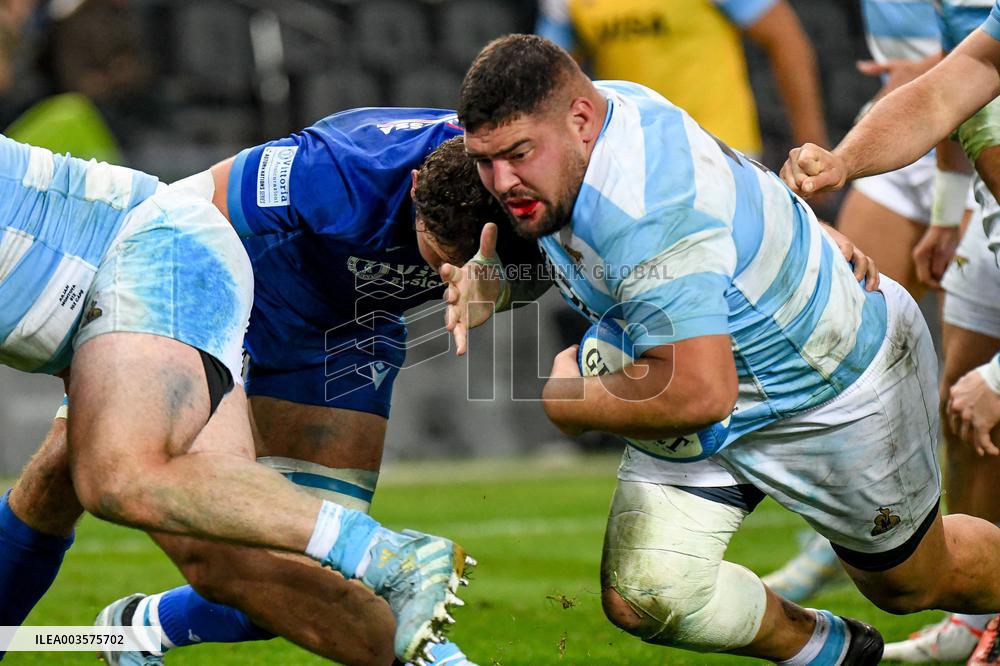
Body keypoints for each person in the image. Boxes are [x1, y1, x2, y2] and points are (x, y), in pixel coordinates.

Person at [435, 33, 1000, 665]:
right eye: (485, 160)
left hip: (829, 382)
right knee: (648, 594)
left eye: (517, 155)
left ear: (581, 120)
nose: (501, 180)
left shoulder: (645, 206)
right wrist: (502, 285)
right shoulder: (590, 125)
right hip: (703, 365)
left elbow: (702, 391)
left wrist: (569, 402)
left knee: (912, 584)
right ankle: (835, 655)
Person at [10, 114, 541, 665]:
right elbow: (189, 209)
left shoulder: (532, 182)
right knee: (72, 472)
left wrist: (500, 289)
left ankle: (138, 628)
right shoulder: (339, 171)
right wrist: (135, 333)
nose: (442, 278)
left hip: (352, 331)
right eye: (435, 257)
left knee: (304, 572)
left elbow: (547, 269)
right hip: (234, 297)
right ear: (412, 189)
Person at [535, 0, 827, 158]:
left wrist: (810, 138)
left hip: (719, 146)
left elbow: (786, 39)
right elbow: (549, 77)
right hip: (632, 154)